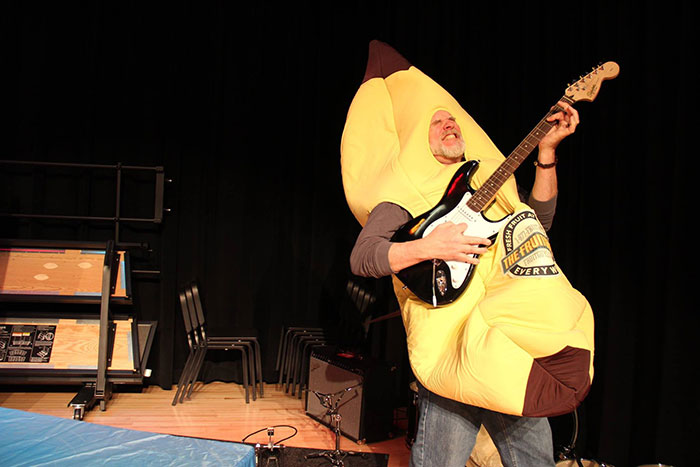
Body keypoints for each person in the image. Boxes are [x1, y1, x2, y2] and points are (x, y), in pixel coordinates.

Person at [349, 103, 580, 467]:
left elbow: (539, 222)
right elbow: (363, 257)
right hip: (451, 351)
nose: (448, 125)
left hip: (503, 342)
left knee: (535, 460)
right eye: (436, 122)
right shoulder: (405, 194)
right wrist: (429, 246)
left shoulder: (487, 180)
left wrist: (547, 153)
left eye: (452, 120)